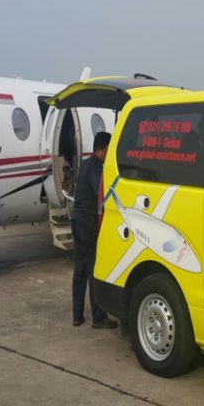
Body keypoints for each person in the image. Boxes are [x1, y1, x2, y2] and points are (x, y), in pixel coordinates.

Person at [72, 132, 118, 329]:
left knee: (80, 270)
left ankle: (77, 314)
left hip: (78, 222)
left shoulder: (85, 163)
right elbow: (104, 192)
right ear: (103, 149)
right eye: (109, 150)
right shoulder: (95, 168)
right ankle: (98, 317)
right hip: (88, 225)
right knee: (94, 270)